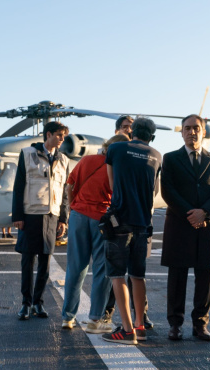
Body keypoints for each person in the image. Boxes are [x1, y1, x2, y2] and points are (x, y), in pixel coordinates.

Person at [160, 114, 210, 342]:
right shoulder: (170, 159)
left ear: (203, 131)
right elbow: (168, 190)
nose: (192, 132)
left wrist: (204, 213)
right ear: (182, 132)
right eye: (187, 128)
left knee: (204, 278)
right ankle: (175, 324)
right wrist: (191, 213)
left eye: (196, 128)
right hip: (180, 225)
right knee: (177, 278)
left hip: (206, 227)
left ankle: (200, 324)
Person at [100, 118, 161, 345]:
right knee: (138, 276)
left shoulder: (115, 148)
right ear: (152, 136)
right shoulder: (157, 155)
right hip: (143, 223)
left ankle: (126, 331)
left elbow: (112, 185)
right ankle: (140, 326)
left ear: (132, 131)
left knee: (117, 275)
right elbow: (154, 190)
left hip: (120, 221)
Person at [60, 134, 129, 331]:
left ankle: (67, 317)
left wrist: (74, 207)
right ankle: (94, 319)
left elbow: (70, 185)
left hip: (78, 216)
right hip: (102, 220)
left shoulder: (87, 160)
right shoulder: (117, 167)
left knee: (75, 267)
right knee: (102, 269)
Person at [12, 121, 71, 320]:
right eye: (59, 135)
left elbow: (64, 193)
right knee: (27, 261)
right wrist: (18, 215)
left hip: (52, 216)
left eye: (64, 136)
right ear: (48, 134)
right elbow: (19, 185)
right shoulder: (27, 153)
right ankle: (25, 303)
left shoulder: (63, 160)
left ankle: (38, 302)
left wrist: (63, 218)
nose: (62, 139)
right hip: (30, 215)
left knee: (45, 263)